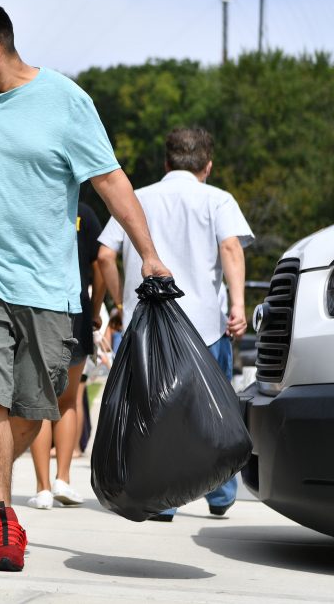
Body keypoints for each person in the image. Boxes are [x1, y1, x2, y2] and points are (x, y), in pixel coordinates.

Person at [0, 0, 171, 572]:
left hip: (46, 282)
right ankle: (3, 518)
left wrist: (149, 256)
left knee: (35, 408)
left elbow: (111, 181)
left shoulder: (65, 102)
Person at [96, 126, 254, 522]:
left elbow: (102, 255)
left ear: (166, 162)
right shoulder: (218, 200)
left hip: (145, 332)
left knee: (156, 418)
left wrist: (120, 302)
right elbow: (231, 246)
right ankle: (219, 495)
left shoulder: (138, 199)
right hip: (204, 327)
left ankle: (161, 497)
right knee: (213, 415)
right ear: (209, 166)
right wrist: (237, 304)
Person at [26, 202, 104, 510]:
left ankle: (42, 488)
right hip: (77, 312)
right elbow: (101, 264)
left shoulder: (33, 204)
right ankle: (63, 479)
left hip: (38, 309)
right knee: (68, 401)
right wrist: (96, 309)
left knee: (39, 401)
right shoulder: (85, 211)